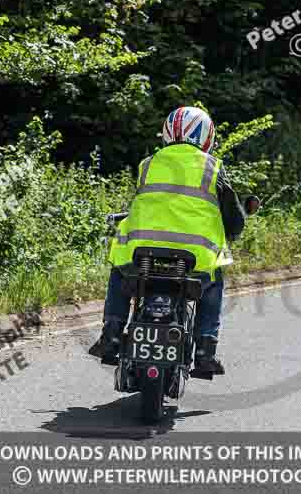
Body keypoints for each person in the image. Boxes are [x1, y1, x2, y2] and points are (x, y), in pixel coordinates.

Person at [88, 106, 247, 375]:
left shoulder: (147, 164)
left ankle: (112, 335)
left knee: (118, 271)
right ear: (206, 137)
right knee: (214, 281)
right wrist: (233, 230)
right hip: (194, 259)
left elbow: (145, 201)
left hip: (142, 254)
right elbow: (233, 218)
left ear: (167, 133)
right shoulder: (213, 167)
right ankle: (205, 349)